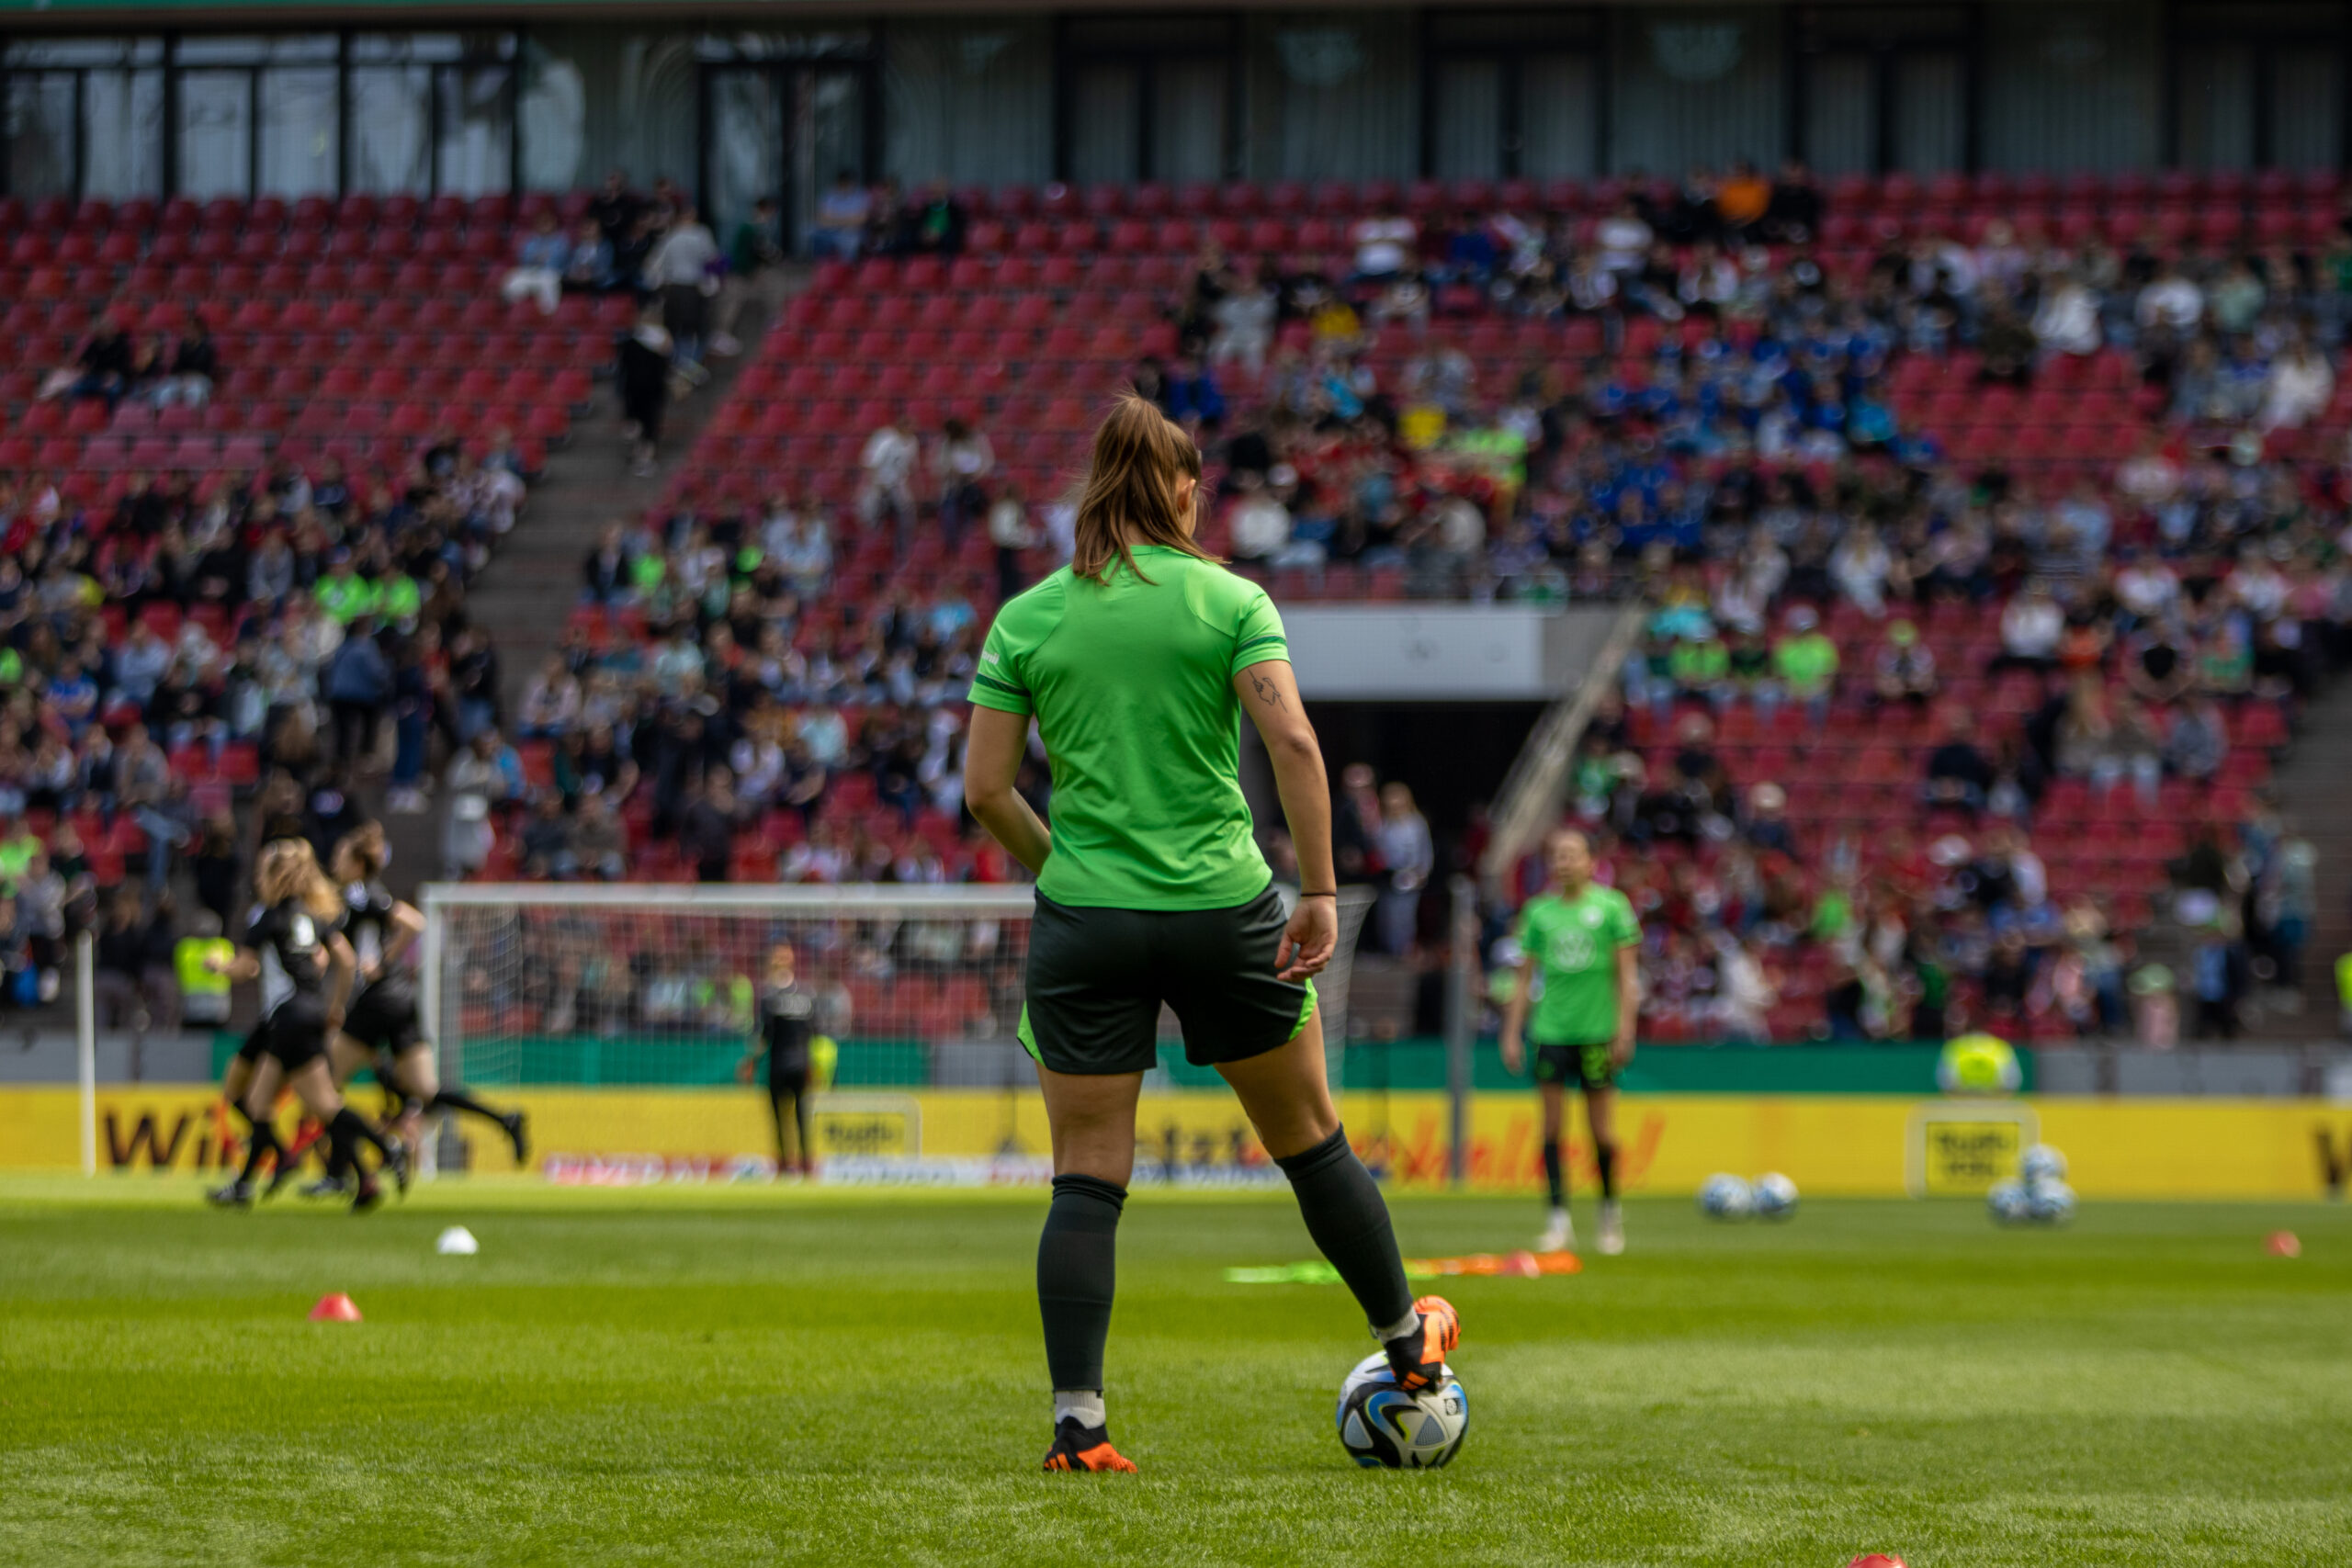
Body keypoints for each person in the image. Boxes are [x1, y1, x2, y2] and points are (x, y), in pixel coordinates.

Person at [960, 393, 1457, 1474]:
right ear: (1184, 492)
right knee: (1310, 1139)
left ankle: (1079, 1427)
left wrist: (1071, 874)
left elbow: (986, 790)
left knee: (1087, 1174)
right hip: (1224, 912)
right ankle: (1405, 1346)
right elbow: (1293, 742)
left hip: (1086, 922)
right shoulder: (1232, 600)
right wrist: (1319, 890)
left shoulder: (1027, 616)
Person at [205, 838, 401, 1211]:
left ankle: (382, 1148)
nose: (258, 877)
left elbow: (245, 968)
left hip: (287, 1016)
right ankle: (266, 1174)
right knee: (265, 1102)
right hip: (307, 1011)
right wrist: (335, 1005)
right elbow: (342, 959)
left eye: (263, 871)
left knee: (321, 1105)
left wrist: (218, 966)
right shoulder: (311, 916)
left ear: (273, 876)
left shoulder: (268, 916)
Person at [328, 824, 526, 1182]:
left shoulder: (359, 895)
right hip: (401, 999)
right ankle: (504, 1119)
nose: (335, 864)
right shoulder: (359, 897)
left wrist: (382, 964)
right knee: (426, 1091)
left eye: (341, 857)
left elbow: (413, 921)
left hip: (377, 1000)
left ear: (358, 863)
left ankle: (342, 1172)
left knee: (328, 1085)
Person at [1498, 828, 1643, 1258]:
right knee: (1551, 1127)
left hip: (1597, 1033)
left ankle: (1609, 1213)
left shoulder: (1612, 908)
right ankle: (1558, 1221)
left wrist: (1626, 1029)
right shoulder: (1538, 913)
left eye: (1571, 855)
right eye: (1557, 856)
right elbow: (1523, 979)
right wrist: (1511, 1032)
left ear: (1590, 862)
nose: (1563, 862)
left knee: (1602, 1131)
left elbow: (1627, 976)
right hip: (1551, 1032)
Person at [741, 942, 817, 1178]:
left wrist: (751, 1061)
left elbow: (764, 1036)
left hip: (779, 1065)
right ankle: (805, 1166)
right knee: (801, 1116)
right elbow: (814, 1034)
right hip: (801, 1063)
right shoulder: (806, 995)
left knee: (779, 1118)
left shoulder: (769, 997)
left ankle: (785, 1166)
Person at [616, 300, 673, 478]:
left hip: (636, 390)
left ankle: (641, 456)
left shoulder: (630, 342)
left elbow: (623, 368)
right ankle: (644, 457)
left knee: (642, 425)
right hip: (650, 390)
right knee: (649, 426)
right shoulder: (662, 342)